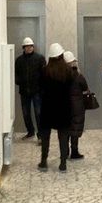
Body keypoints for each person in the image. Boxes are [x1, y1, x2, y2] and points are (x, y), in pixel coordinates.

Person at [38, 43, 74, 172]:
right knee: (63, 137)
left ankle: (43, 161)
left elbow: (40, 88)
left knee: (45, 136)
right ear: (61, 55)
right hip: (64, 108)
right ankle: (63, 163)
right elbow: (71, 89)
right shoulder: (68, 71)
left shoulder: (44, 71)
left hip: (47, 108)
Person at [14, 37, 45, 139]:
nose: (29, 48)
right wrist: (18, 81)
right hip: (24, 91)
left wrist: (42, 88)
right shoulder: (19, 60)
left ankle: (40, 135)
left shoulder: (40, 58)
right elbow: (16, 74)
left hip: (37, 91)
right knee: (26, 113)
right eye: (27, 46)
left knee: (38, 113)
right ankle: (30, 132)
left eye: (31, 46)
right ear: (23, 48)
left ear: (33, 47)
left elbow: (44, 74)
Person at [64, 50, 88, 159]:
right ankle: (74, 152)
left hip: (64, 105)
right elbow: (85, 87)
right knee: (75, 129)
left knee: (65, 129)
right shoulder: (78, 76)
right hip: (77, 106)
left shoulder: (60, 75)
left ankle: (65, 152)